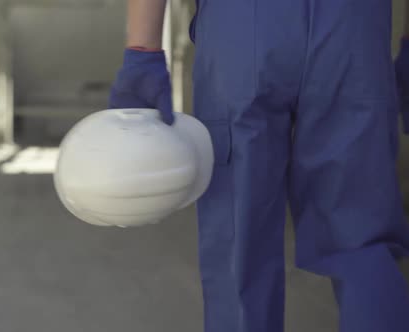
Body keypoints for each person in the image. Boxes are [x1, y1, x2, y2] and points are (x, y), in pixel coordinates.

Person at [109, 1, 409, 331]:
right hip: (352, 25)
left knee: (239, 239)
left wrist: (143, 51)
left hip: (242, 26)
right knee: (361, 243)